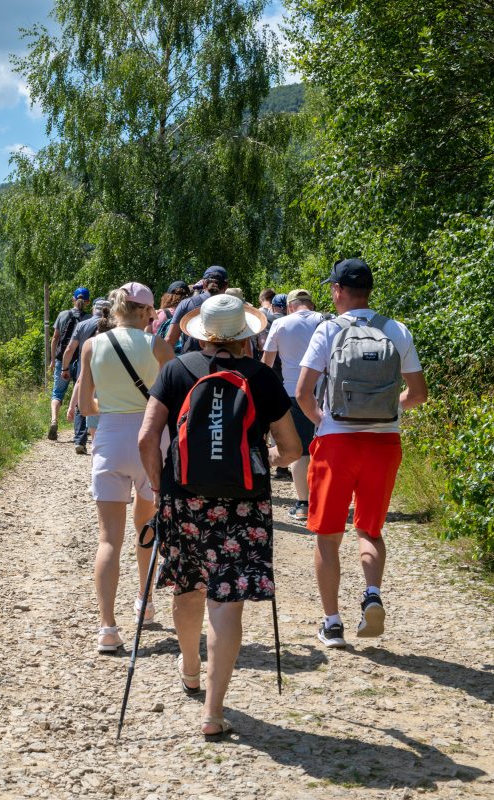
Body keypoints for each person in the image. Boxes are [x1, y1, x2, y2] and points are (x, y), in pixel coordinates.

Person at [137, 294, 301, 739]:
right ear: (246, 335)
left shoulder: (176, 370)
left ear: (202, 334)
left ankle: (190, 666)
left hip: (183, 499)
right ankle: (213, 711)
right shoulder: (262, 378)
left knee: (187, 584)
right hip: (244, 505)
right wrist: (261, 456)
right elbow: (292, 449)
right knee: (226, 600)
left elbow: (147, 437)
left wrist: (159, 487)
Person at [296, 258, 428, 648]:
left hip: (337, 443)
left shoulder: (328, 330)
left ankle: (332, 623)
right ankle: (372, 594)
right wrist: (390, 410)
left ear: (337, 291)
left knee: (327, 535)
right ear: (369, 291)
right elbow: (418, 394)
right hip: (384, 444)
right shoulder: (396, 330)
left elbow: (303, 393)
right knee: (369, 529)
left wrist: (325, 420)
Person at [77, 283, 175, 653]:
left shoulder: (92, 346)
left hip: (111, 442)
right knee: (146, 528)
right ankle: (145, 601)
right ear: (149, 312)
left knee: (108, 540)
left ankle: (107, 627)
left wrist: (113, 407)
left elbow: (86, 407)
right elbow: (176, 398)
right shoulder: (159, 347)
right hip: (151, 442)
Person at [262, 289, 324, 521]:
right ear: (312, 304)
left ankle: (303, 504)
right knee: (326, 447)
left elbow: (266, 363)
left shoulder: (280, 324)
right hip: (325, 392)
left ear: (289, 306)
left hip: (292, 393)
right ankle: (325, 499)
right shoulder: (327, 322)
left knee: (301, 450)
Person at [61, 297, 112, 454]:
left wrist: (64, 367)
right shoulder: (117, 332)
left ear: (94, 309)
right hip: (114, 395)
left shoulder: (82, 325)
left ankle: (80, 439)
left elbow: (70, 349)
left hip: (88, 367)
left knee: (84, 404)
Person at [48, 287, 89, 440]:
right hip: (79, 360)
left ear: (73, 299)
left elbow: (55, 338)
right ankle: (79, 429)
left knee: (57, 393)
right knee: (79, 392)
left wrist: (53, 360)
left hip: (62, 359)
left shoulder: (63, 315)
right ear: (88, 301)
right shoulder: (89, 318)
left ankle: (54, 420)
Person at [164, 266, 229, 354]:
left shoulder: (186, 304)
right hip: (227, 364)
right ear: (226, 286)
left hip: (191, 363)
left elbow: (170, 340)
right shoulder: (237, 306)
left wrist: (171, 366)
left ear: (204, 284)